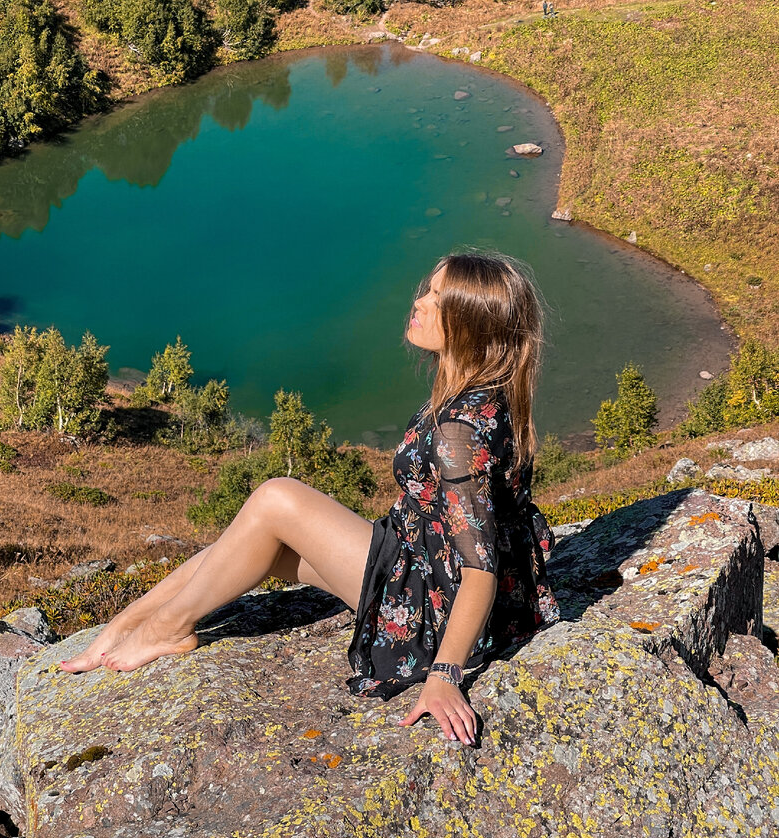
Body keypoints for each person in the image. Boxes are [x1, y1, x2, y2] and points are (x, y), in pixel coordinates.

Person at [59, 251, 561, 748]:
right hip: (419, 561)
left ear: (469, 326)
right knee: (253, 543)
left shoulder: (459, 430)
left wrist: (445, 675)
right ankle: (127, 624)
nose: (419, 302)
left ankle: (165, 628)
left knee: (276, 498)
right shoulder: (479, 392)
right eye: (426, 289)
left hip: (435, 606)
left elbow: (479, 568)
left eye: (436, 299)